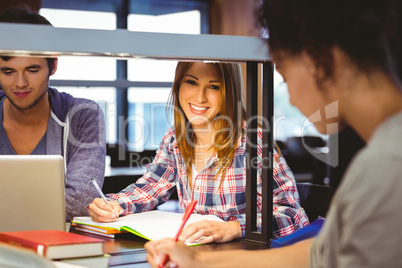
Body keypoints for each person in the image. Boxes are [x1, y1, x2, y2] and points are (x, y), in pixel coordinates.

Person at [144, 0, 402, 267]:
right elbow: (321, 254)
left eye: (283, 74)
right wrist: (199, 260)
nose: (291, 98)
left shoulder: (386, 168)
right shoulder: (378, 158)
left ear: (317, 59)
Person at [88, 61, 309, 244]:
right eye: (191, 82)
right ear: (178, 85)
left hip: (245, 257)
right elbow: (151, 188)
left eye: (214, 87)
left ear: (228, 92)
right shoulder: (175, 139)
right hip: (197, 254)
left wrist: (233, 228)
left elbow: (292, 215)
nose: (200, 97)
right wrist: (114, 204)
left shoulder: (254, 142)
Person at [0, 6, 106, 221]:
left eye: (32, 70)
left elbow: (81, 201)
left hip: (57, 245)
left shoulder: (82, 115)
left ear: (53, 65)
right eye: (8, 72)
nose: (20, 84)